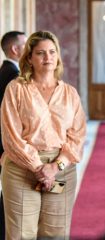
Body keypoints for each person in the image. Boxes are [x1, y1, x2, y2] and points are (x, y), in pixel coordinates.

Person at [0, 30, 86, 239]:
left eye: (52, 52)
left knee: (55, 234)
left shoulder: (69, 93)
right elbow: (11, 135)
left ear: (58, 56)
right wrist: (39, 168)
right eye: (40, 53)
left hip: (61, 169)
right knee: (22, 234)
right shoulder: (16, 88)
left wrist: (56, 167)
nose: (48, 57)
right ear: (29, 57)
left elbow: (77, 135)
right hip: (22, 169)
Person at [0, 30, 27, 240]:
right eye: (26, 45)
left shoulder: (8, 71)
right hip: (11, 146)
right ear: (15, 49)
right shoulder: (12, 75)